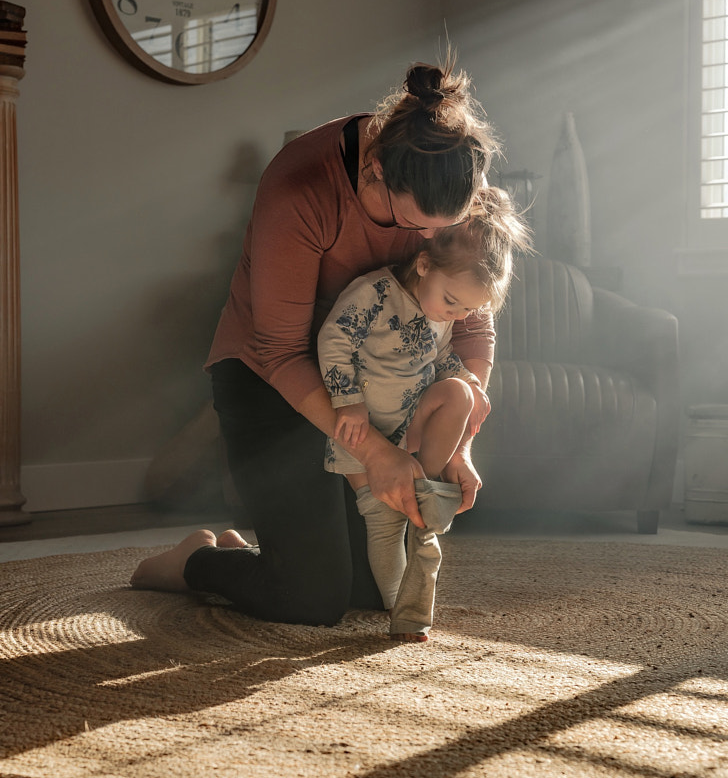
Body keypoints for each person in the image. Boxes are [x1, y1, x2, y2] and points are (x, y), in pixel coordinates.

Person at [130, 56, 502, 625]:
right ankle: (195, 562)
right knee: (311, 599)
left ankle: (256, 555)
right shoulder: (299, 187)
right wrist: (375, 454)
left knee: (372, 590)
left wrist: (461, 438)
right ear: (376, 170)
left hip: (374, 384)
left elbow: (472, 316)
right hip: (272, 380)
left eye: (442, 227)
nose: (430, 238)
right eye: (419, 226)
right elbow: (279, 350)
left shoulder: (448, 181)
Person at [319, 187, 531, 640]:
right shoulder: (374, 293)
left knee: (460, 392)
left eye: (467, 310)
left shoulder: (443, 314)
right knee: (384, 520)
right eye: (452, 302)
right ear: (423, 264)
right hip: (362, 432)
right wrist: (347, 401)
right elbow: (333, 342)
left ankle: (427, 489)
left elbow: (439, 360)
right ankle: (403, 606)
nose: (456, 314)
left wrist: (471, 384)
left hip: (410, 421)